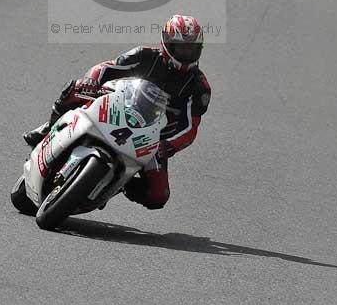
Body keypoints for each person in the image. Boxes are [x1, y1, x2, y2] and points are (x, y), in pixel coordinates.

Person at [24, 14, 211, 210]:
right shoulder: (144, 55)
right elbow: (106, 68)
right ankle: (49, 126)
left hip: (151, 140)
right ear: (166, 43)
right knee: (75, 88)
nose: (186, 53)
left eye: (191, 49)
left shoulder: (199, 87)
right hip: (117, 110)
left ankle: (121, 184)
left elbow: (190, 127)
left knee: (158, 196)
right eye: (181, 47)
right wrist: (92, 80)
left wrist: (168, 145)